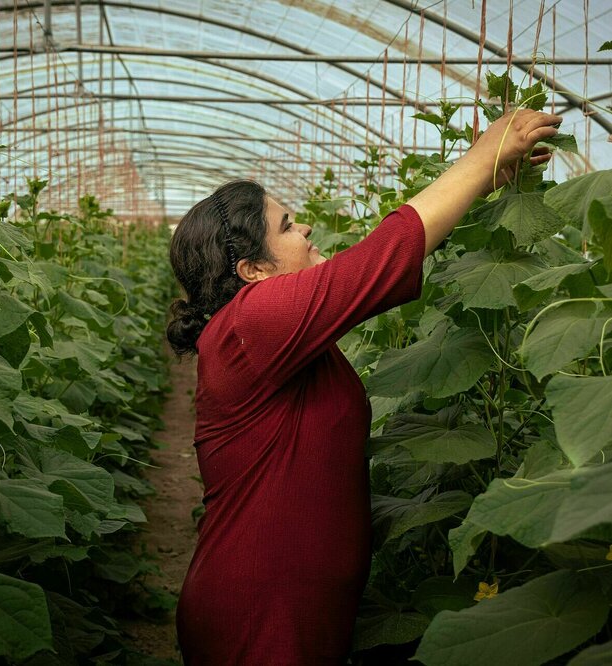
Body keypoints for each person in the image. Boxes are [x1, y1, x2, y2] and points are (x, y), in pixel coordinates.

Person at [166, 108, 561, 665]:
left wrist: (492, 176)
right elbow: (381, 259)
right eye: (286, 226)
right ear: (252, 271)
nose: (304, 228)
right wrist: (481, 158)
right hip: (259, 611)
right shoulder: (249, 324)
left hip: (298, 607)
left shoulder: (281, 338)